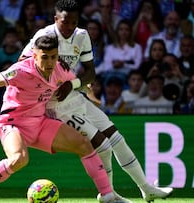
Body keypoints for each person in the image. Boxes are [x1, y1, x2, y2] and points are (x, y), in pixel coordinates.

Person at [20, 0, 173, 202]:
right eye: (65, 22)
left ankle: (146, 188)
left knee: (117, 138)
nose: (69, 27)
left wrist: (72, 84)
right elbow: (22, 65)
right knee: (103, 144)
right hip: (55, 105)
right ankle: (108, 194)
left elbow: (90, 73)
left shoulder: (82, 36)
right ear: (56, 19)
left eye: (74, 22)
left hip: (75, 96)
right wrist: (52, 74)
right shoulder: (44, 36)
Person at [0, 34, 122, 203]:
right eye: (44, 58)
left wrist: (91, 95)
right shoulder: (21, 71)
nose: (50, 63)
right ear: (35, 56)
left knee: (83, 144)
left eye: (53, 57)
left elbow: (79, 82)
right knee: (19, 159)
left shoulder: (60, 69)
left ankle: (107, 195)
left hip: (40, 123)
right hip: (13, 123)